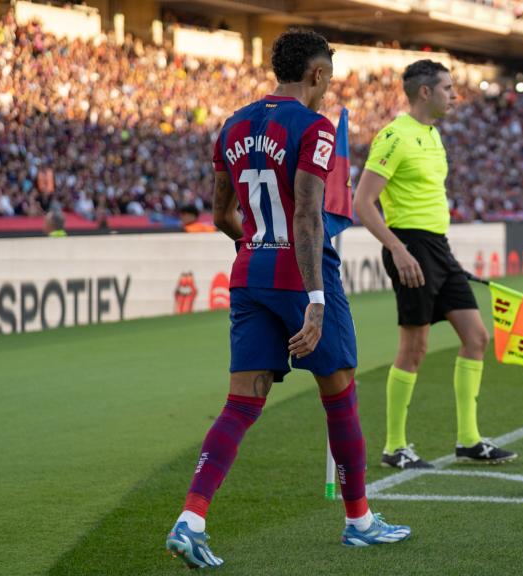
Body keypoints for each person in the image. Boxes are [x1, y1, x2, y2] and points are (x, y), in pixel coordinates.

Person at [165, 29, 409, 570]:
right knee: (340, 393)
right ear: (317, 74)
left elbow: (220, 216)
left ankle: (192, 519)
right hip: (302, 277)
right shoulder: (314, 127)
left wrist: (256, 247)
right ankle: (360, 522)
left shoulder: (232, 125)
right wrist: (316, 299)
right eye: (328, 78)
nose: (328, 89)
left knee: (241, 403)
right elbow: (305, 213)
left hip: (249, 272)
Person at [354, 59, 517, 469]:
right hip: (410, 247)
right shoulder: (394, 137)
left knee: (477, 337)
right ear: (425, 92)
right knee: (415, 346)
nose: (455, 95)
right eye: (447, 88)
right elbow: (363, 203)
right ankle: (395, 446)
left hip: (438, 248)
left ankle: (468, 439)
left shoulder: (433, 135)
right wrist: (398, 249)